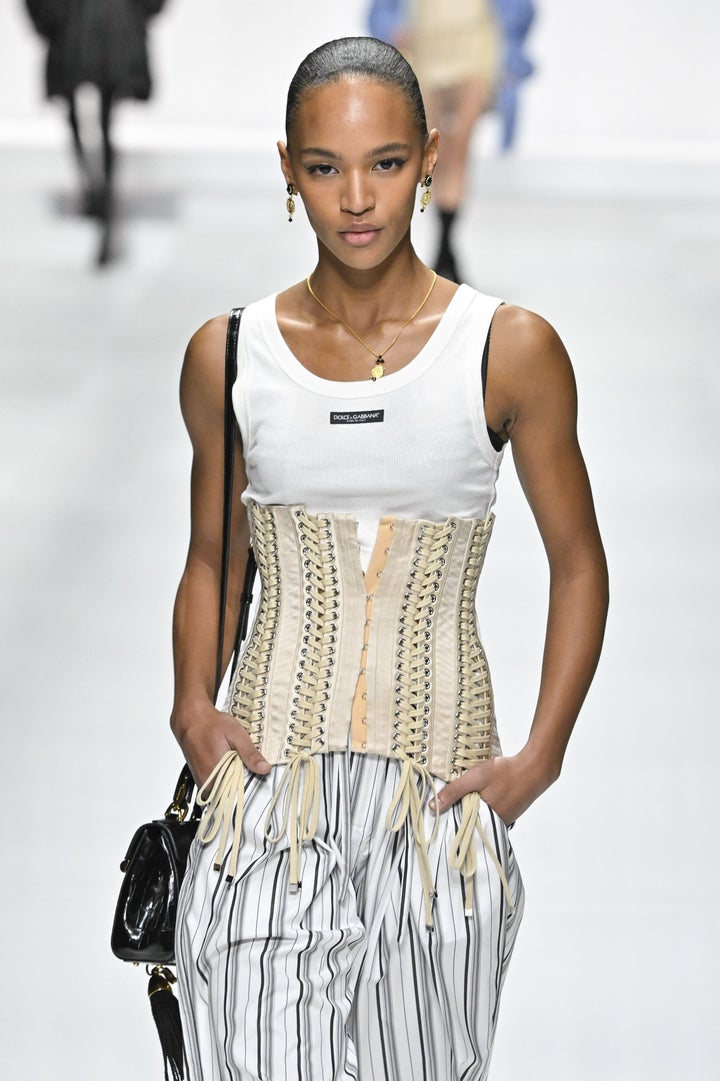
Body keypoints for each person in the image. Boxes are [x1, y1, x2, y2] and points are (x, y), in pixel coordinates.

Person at [170, 36, 608, 1081]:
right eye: (324, 168)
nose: (356, 198)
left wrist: (540, 756)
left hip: (440, 814)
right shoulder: (230, 355)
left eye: (386, 163)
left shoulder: (508, 348)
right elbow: (211, 557)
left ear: (428, 157)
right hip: (268, 805)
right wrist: (192, 705)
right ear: (288, 169)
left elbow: (579, 561)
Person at [368, 0, 535, 281]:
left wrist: (511, 52)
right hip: (425, 51)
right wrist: (392, 30)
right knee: (430, 154)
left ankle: (446, 243)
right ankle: (441, 248)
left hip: (476, 52)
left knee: (457, 150)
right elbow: (381, 9)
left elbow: (521, 9)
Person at [25, 0, 166, 265]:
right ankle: (99, 194)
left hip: (87, 27)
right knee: (98, 118)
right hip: (101, 25)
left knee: (92, 116)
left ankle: (98, 194)